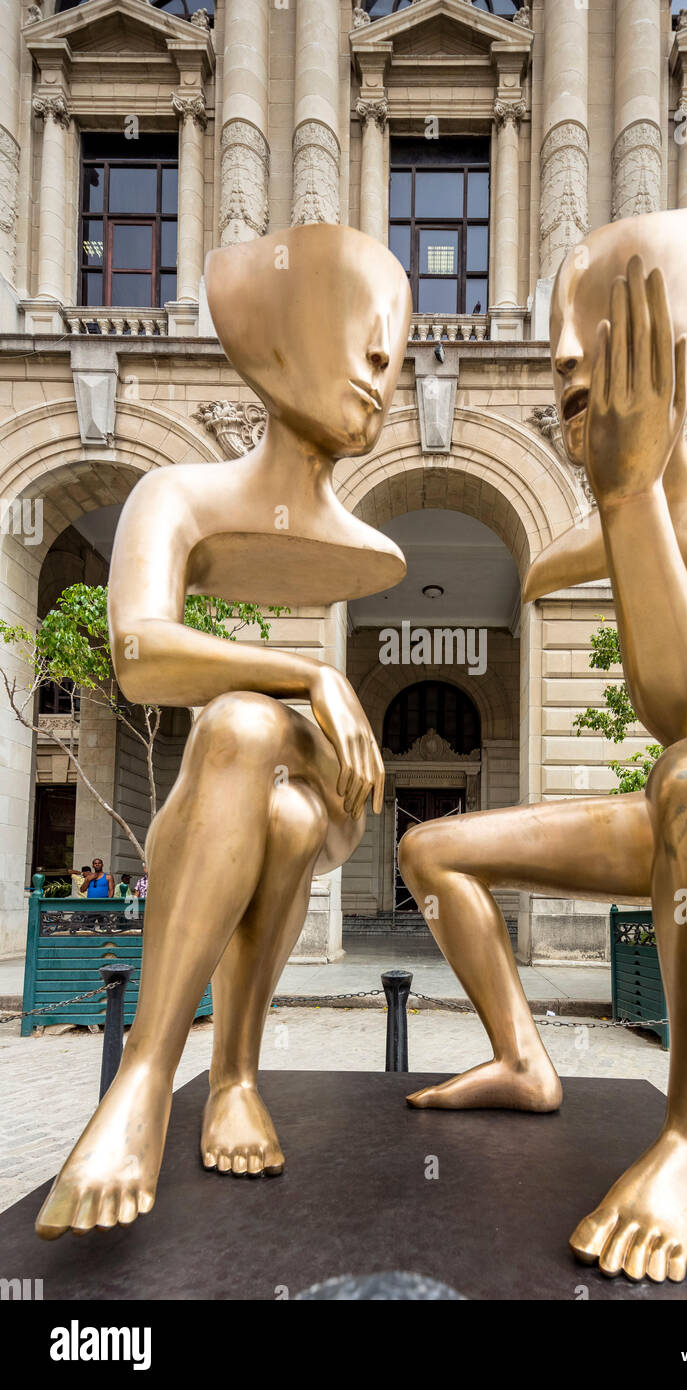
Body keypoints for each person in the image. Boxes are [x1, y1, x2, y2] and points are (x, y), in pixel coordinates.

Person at [397, 158, 687, 1284]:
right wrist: (613, 506)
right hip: (672, 808)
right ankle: (520, 1058)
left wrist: (630, 491)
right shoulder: (610, 524)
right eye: (557, 332)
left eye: (595, 328)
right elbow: (564, 584)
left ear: (671, 351)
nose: (557, 359)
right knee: (430, 847)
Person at [35, 223, 412, 1242]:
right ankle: (195, 1078)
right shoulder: (180, 495)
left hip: (320, 790)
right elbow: (137, 654)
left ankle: (175, 1077)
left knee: (271, 766)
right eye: (364, 335)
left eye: (399, 348)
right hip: (222, 800)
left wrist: (307, 708)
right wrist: (306, 675)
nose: (387, 363)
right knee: (247, 735)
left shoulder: (371, 546)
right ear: (282, 337)